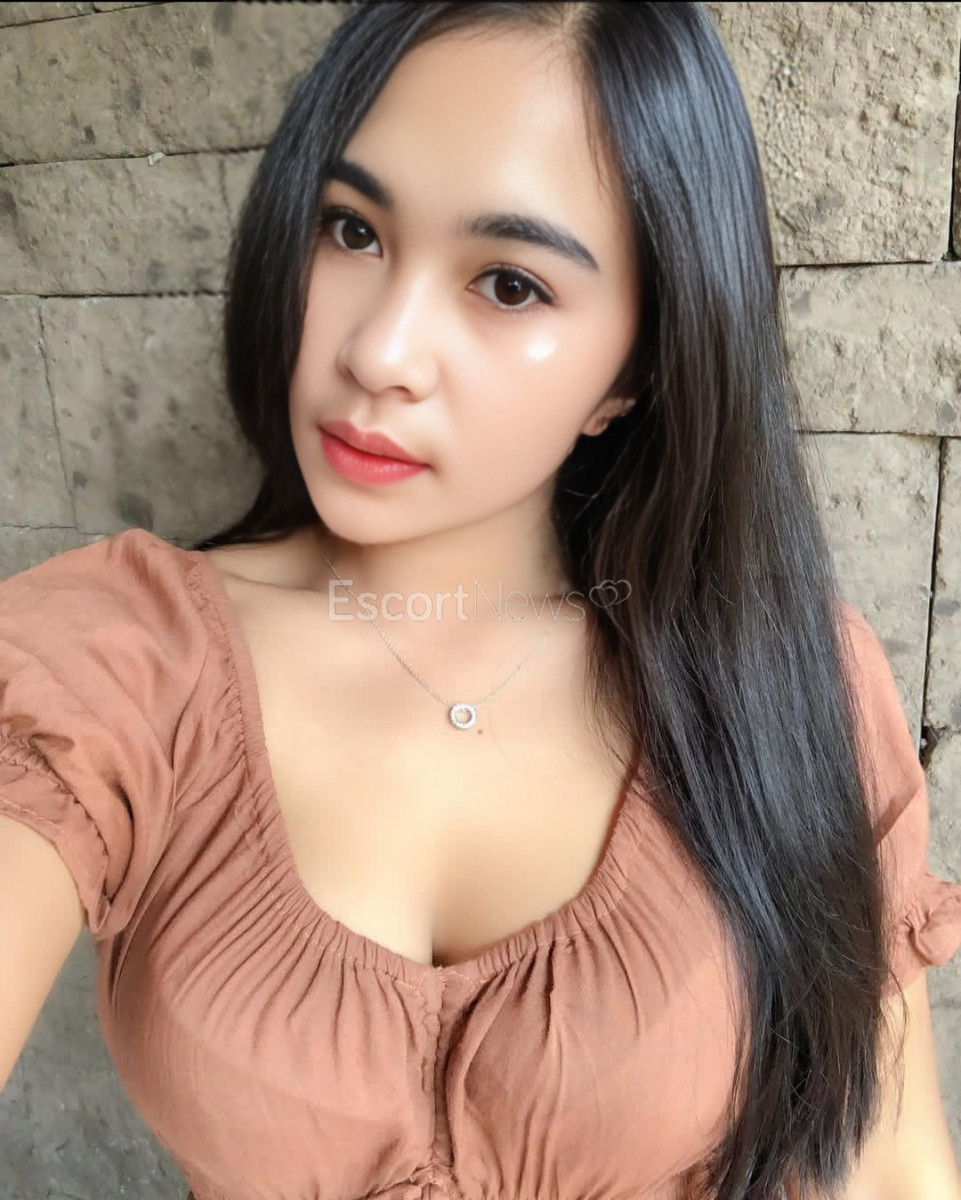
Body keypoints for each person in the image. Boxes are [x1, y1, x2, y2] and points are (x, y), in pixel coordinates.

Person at [1, 3, 960, 1198]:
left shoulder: (784, 682)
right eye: (352, 230)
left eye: (508, 284)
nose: (378, 352)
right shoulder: (114, 657)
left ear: (635, 369)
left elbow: (890, 1165)